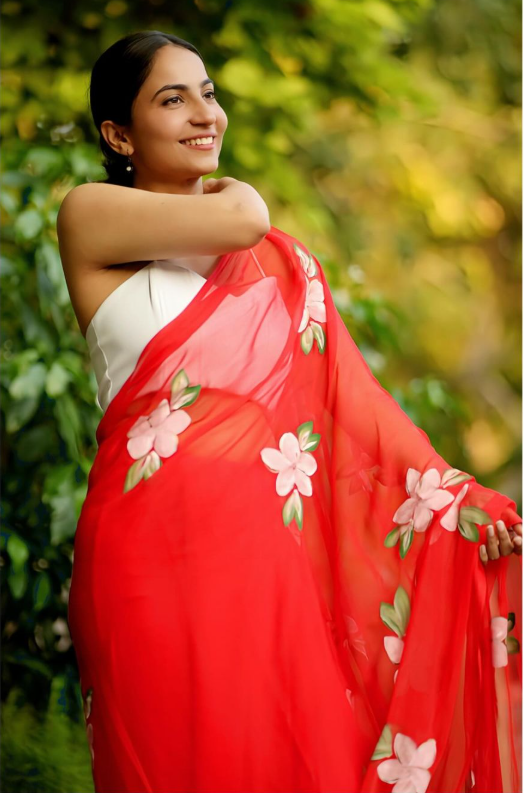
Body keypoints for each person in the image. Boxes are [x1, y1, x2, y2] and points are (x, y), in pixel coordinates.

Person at [57, 30, 522, 793]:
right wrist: (237, 194)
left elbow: (355, 418)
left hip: (263, 561)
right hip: (142, 558)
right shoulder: (93, 218)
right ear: (118, 134)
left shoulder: (277, 270)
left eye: (208, 92)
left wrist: (458, 503)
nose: (204, 112)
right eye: (171, 98)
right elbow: (241, 213)